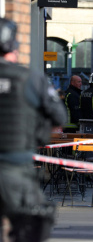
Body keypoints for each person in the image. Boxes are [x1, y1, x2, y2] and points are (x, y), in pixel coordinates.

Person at [0, 17, 67, 242]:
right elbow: (59, 116)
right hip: (15, 170)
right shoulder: (29, 78)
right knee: (36, 224)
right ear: (13, 46)